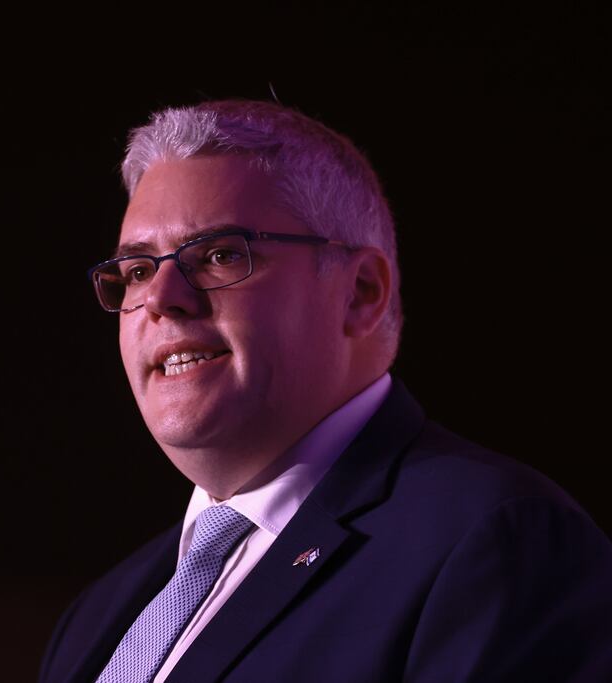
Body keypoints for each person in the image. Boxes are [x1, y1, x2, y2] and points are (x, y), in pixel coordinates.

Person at [37, 99, 612, 683]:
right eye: (137, 270)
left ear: (361, 292)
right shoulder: (100, 615)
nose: (161, 298)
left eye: (219, 255)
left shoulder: (498, 543)